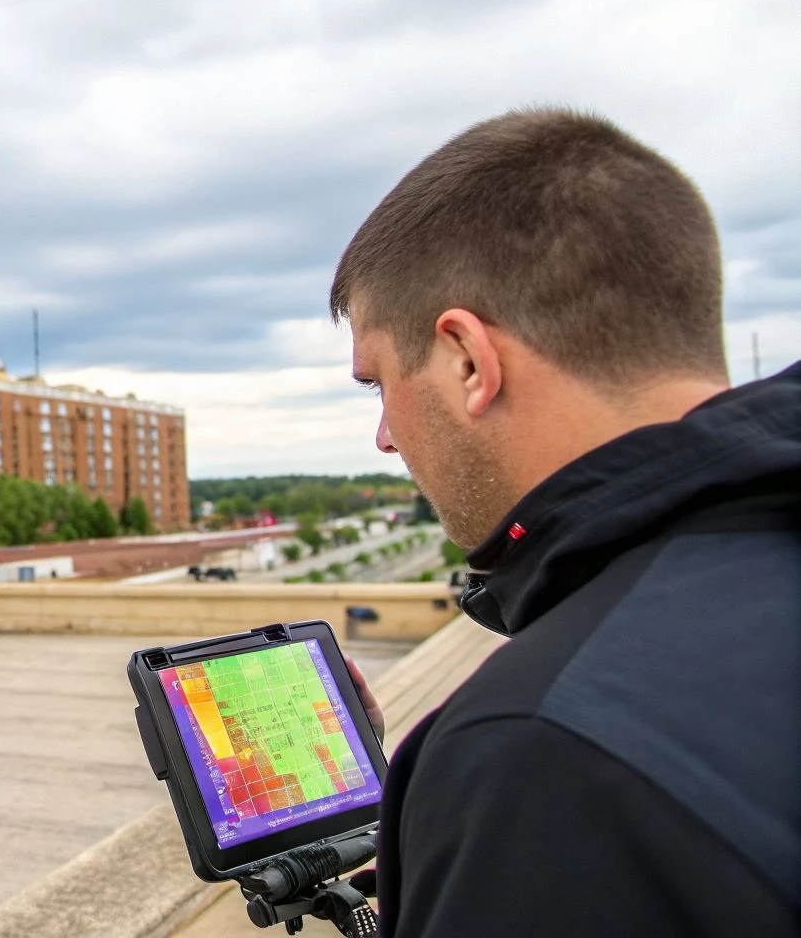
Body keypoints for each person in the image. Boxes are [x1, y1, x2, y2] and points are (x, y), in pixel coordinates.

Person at [329, 107, 799, 936]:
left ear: (468, 360)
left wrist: (468, 806)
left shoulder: (538, 761)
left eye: (378, 383)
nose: (386, 437)